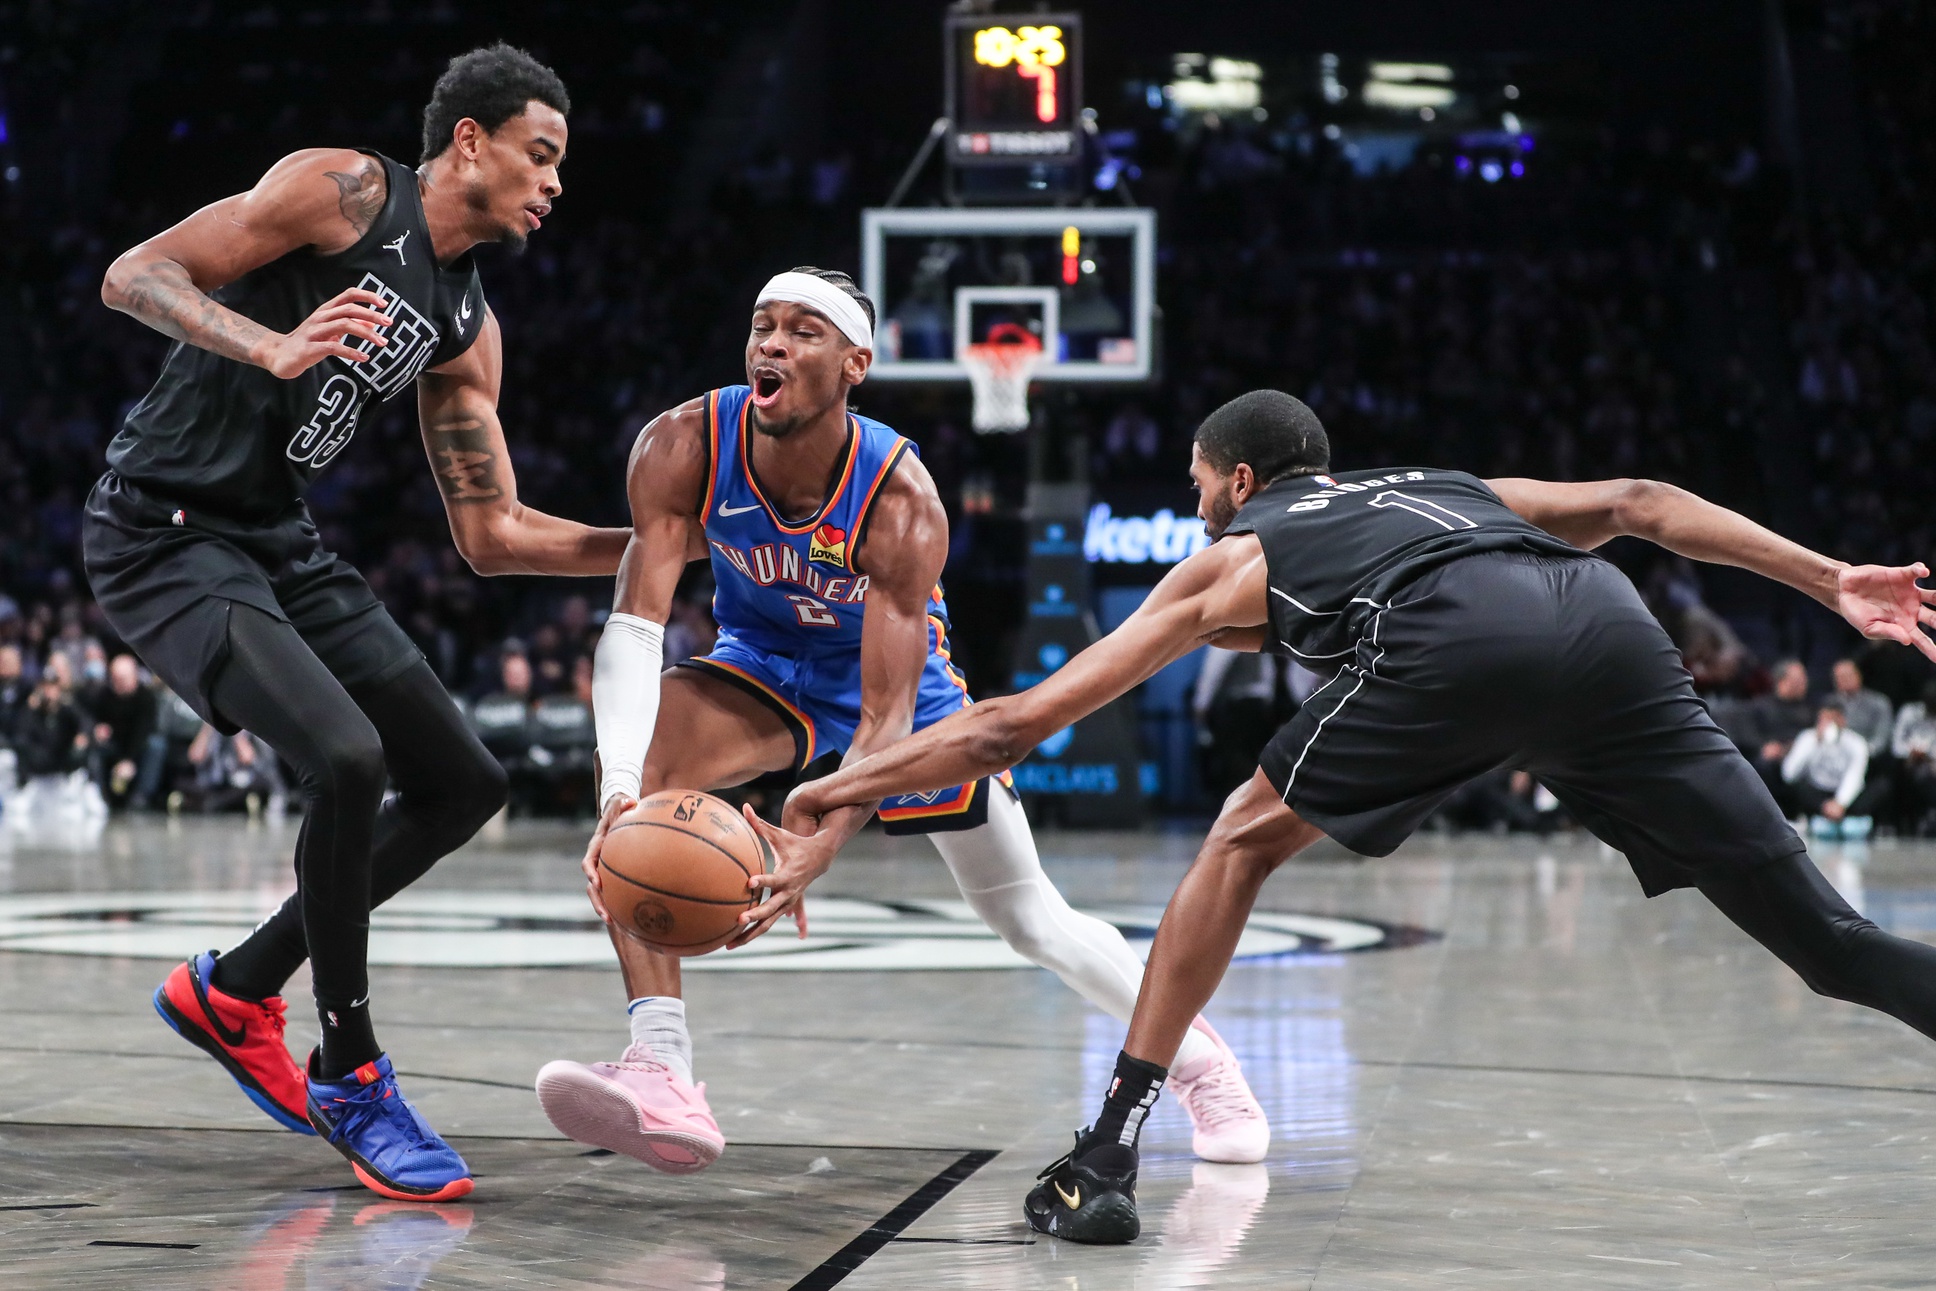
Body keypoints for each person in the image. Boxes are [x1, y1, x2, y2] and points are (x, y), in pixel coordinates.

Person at [761, 389, 1936, 1244]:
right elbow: (1638, 502)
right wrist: (1829, 579)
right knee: (1828, 946)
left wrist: (832, 787)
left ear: (1234, 482)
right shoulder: (1444, 485)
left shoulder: (1233, 550)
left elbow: (1012, 725)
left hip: (1450, 642)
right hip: (1605, 628)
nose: (1195, 505)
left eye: (1194, 486)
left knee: (1239, 837)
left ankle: (1111, 1145)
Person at [536, 269, 1269, 1175]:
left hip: (903, 692)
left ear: (855, 364)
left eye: (802, 331)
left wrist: (823, 840)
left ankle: (1202, 1064)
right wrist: (615, 791)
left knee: (1028, 917)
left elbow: (882, 714)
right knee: (640, 791)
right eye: (762, 324)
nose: (771, 342)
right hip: (764, 664)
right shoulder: (682, 443)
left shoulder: (901, 496)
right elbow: (635, 627)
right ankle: (663, 1067)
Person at [81, 45, 629, 1201]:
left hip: (276, 540)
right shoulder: (346, 190)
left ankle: (235, 989)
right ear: (470, 141)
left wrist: (667, 548)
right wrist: (264, 341)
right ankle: (350, 1067)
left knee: (463, 781)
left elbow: (494, 534)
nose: (555, 182)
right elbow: (135, 274)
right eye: (542, 153)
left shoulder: (467, 323)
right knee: (345, 757)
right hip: (162, 532)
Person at [1780, 700, 1875, 839]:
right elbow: (1789, 775)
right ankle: (1819, 818)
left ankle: (1848, 820)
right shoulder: (1807, 738)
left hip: (1845, 796)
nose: (1829, 723)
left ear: (1843, 720)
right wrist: (1815, 742)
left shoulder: (1857, 743)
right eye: (1825, 718)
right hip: (1817, 793)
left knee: (1879, 785)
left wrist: (1840, 803)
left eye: (1834, 718)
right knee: (1798, 787)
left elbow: (1855, 776)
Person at [88, 653, 162, 809]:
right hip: (113, 745)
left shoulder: (146, 698)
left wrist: (128, 759)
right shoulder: (104, 696)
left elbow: (144, 731)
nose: (118, 683)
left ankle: (142, 796)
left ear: (134, 676)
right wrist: (97, 729)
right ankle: (99, 795)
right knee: (94, 751)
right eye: (115, 678)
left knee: (157, 745)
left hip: (137, 747)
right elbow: (94, 720)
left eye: (123, 678)